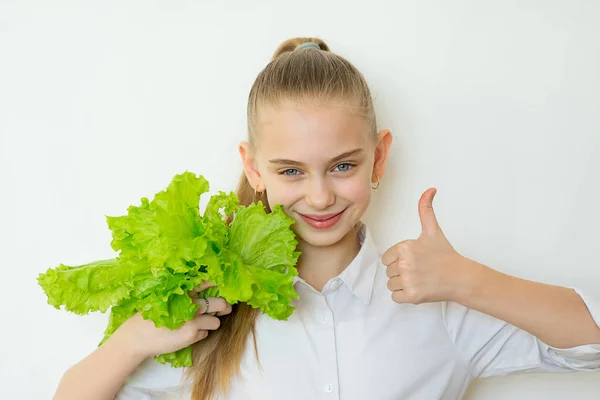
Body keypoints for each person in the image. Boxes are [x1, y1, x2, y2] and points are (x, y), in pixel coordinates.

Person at [53, 37, 600, 400]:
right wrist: (129, 343)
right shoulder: (210, 308)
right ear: (254, 168)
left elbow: (590, 345)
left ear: (379, 158)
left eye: (342, 166)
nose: (319, 197)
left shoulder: (436, 305)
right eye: (291, 170)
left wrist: (468, 281)